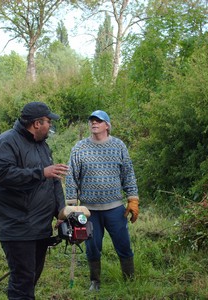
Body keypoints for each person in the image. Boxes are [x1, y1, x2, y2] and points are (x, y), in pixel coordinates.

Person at [0, 101, 69, 299]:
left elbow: (54, 181)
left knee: (31, 276)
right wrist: (41, 172)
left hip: (40, 226)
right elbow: (3, 175)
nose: (50, 126)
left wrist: (61, 212)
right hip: (16, 225)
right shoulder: (5, 142)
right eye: (48, 122)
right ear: (36, 124)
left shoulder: (42, 146)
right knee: (22, 279)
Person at [65, 110, 139, 291]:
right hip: (89, 210)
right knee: (92, 246)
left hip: (115, 208)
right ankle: (95, 281)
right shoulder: (79, 148)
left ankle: (129, 278)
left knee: (123, 244)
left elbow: (128, 174)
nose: (94, 123)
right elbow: (71, 177)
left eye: (98, 120)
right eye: (91, 120)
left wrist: (132, 199)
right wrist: (72, 207)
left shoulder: (119, 146)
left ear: (107, 125)